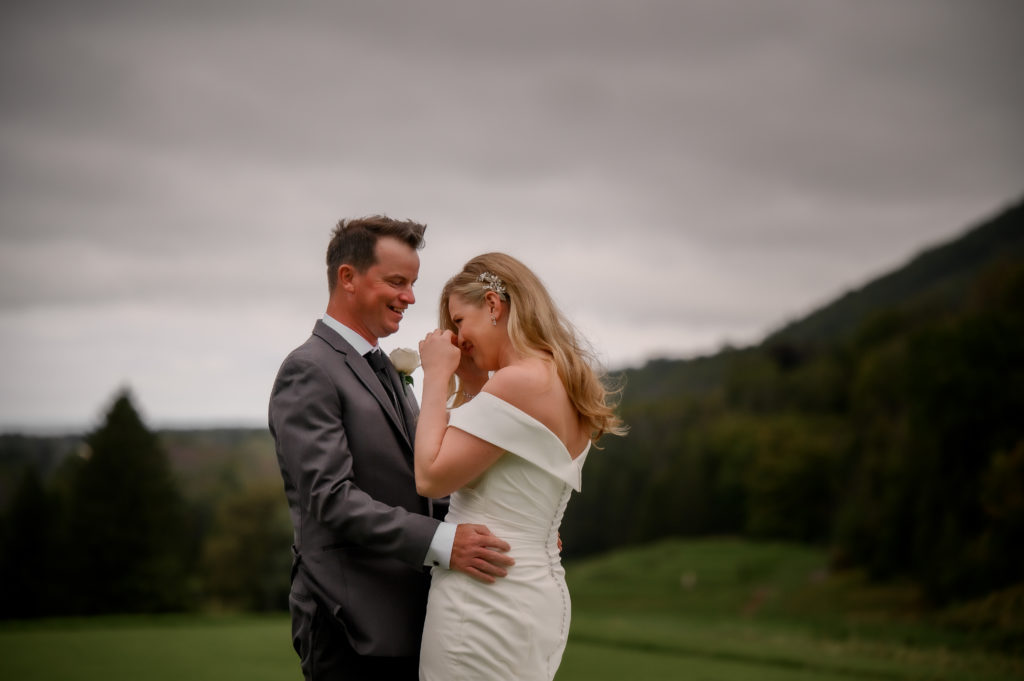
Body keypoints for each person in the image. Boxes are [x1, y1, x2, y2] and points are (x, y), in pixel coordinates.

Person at [268, 217, 515, 681]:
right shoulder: (309, 370)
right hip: (351, 625)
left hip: (414, 618)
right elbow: (331, 498)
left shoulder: (386, 368)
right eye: (397, 282)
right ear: (348, 278)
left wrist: (502, 528)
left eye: (413, 283)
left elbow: (421, 481)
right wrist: (442, 543)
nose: (411, 297)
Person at [414, 253, 626, 680]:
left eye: (459, 321)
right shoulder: (564, 378)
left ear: (493, 305)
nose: (458, 337)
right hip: (534, 589)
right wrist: (474, 383)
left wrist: (436, 377)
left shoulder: (518, 382)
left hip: (483, 599)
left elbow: (431, 477)